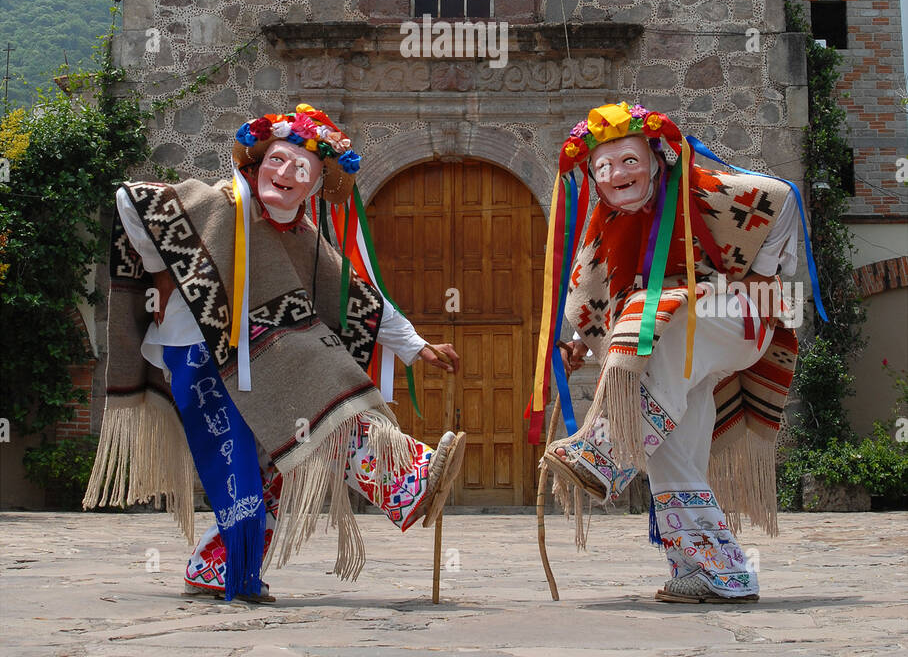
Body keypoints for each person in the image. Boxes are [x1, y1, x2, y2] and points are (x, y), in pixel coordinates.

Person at [85, 103, 465, 602]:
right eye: (277, 161)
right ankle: (403, 478)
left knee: (279, 463)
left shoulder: (305, 240)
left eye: (300, 169)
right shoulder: (220, 202)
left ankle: (214, 565)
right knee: (288, 406)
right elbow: (132, 201)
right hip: (199, 352)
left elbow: (358, 298)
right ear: (258, 162)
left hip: (260, 359)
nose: (285, 174)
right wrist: (166, 263)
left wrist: (417, 347)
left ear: (314, 186)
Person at [529, 102, 814, 605]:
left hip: (736, 316)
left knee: (658, 314)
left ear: (657, 158)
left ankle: (606, 450)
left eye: (628, 161)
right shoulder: (604, 229)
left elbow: (784, 197)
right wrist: (577, 341)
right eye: (603, 168)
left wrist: (760, 271)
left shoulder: (700, 191)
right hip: (674, 343)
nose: (616, 174)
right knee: (672, 457)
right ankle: (714, 570)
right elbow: (593, 296)